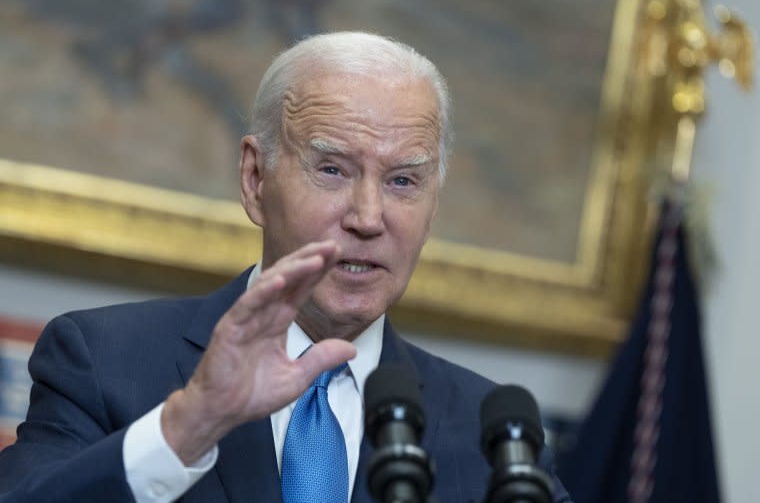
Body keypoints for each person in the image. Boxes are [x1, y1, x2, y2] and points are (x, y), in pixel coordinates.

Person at [0, 32, 572, 503]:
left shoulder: (494, 435)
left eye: (403, 181)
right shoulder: (101, 360)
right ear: (255, 179)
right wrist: (188, 426)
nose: (369, 218)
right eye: (332, 170)